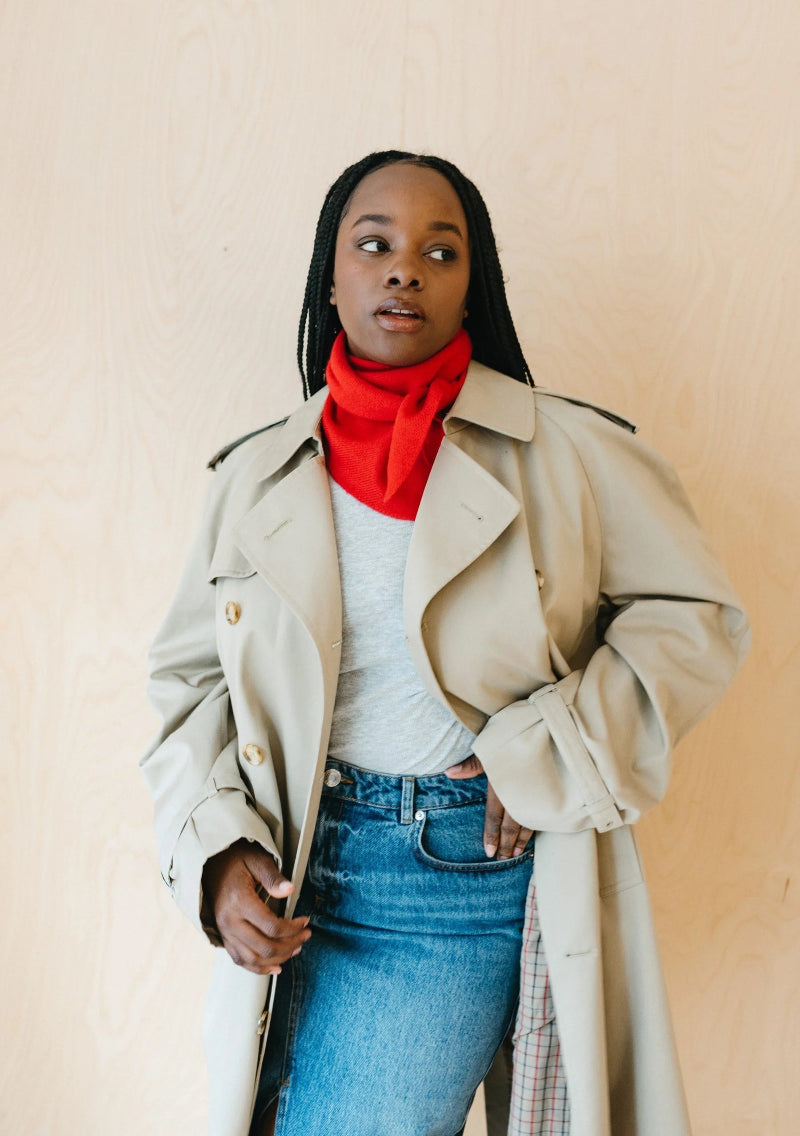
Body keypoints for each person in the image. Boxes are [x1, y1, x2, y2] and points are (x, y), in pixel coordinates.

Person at [141, 151, 749, 1136]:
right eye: (373, 243)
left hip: (449, 875)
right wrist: (214, 853)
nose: (402, 269)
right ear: (328, 278)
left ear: (473, 285)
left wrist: (544, 746)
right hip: (291, 865)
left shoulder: (566, 450)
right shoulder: (254, 474)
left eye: (439, 249)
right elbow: (189, 678)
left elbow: (695, 615)